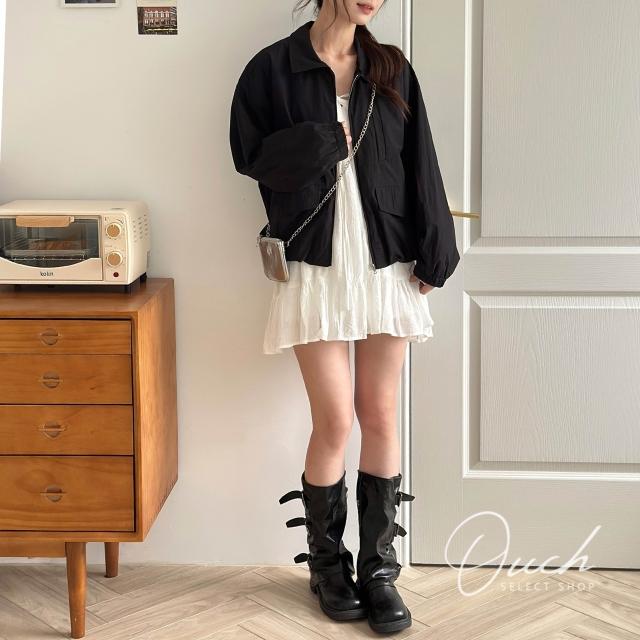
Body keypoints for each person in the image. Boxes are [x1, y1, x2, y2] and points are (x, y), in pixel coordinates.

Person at [229, 0, 460, 634]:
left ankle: (380, 572)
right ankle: (328, 568)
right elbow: (250, 157)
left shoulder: (390, 68)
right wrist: (328, 139)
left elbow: (421, 160)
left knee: (380, 415)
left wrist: (436, 250)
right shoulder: (272, 69)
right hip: (315, 264)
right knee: (334, 420)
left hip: (388, 260)